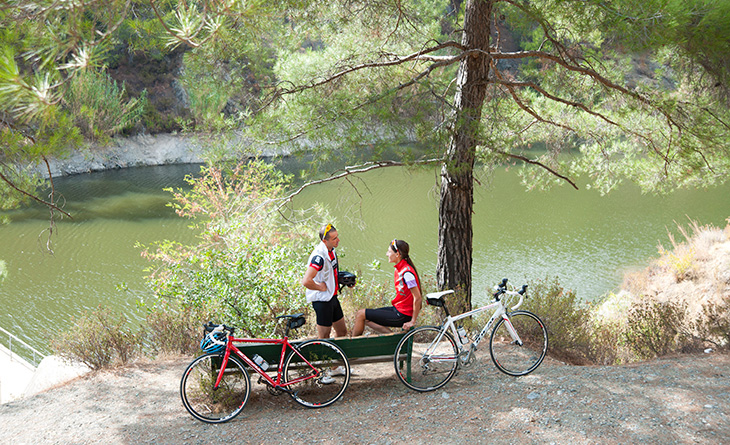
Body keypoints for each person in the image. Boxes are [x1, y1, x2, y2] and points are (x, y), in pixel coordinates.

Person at [352, 239, 422, 336]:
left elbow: (417, 297)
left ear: (397, 254)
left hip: (403, 314)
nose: (387, 254)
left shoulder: (407, 273)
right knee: (366, 318)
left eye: (389, 251)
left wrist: (413, 321)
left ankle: (352, 348)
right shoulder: (399, 268)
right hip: (398, 309)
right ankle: (396, 340)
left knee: (361, 314)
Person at [301, 224, 348, 338]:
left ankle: (339, 355)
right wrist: (320, 287)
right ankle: (324, 356)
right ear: (324, 241)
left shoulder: (331, 250)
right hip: (322, 301)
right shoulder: (319, 257)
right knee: (324, 337)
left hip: (333, 297)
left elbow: (330, 273)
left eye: (337, 236)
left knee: (342, 332)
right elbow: (306, 281)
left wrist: (345, 280)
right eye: (334, 238)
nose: (338, 240)